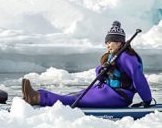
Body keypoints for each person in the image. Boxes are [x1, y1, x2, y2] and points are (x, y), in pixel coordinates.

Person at [22, 21, 153, 108]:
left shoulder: (128, 58)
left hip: (118, 96)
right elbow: (100, 75)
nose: (107, 45)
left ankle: (37, 97)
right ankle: (36, 95)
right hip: (104, 90)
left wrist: (147, 100)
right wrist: (103, 68)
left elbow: (139, 79)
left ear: (119, 43)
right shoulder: (112, 56)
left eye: (110, 42)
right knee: (74, 96)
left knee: (76, 101)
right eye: (106, 42)